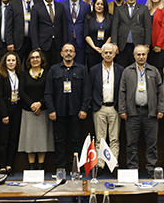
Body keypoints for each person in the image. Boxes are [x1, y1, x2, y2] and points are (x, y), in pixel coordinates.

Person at [118, 44, 164, 178]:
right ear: (134, 56)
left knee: (152, 144)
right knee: (131, 144)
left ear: (147, 55)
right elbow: (122, 92)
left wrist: (161, 109)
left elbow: (161, 92)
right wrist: (122, 109)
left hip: (151, 113)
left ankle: (151, 170)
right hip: (132, 113)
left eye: (143, 54)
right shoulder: (127, 71)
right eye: (138, 54)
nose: (141, 57)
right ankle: (133, 171)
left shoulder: (154, 71)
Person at [44, 43, 91, 171]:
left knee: (76, 141)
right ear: (61, 53)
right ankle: (60, 168)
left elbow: (87, 91)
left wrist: (84, 108)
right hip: (58, 112)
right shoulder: (54, 69)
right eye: (66, 51)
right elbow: (48, 92)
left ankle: (75, 168)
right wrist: (51, 109)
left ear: (75, 54)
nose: (68, 53)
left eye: (71, 51)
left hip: (76, 112)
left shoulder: (82, 69)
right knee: (59, 141)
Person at [89, 43, 123, 174]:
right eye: (106, 53)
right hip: (99, 107)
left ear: (114, 54)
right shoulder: (94, 70)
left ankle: (113, 165)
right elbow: (90, 89)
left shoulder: (120, 69)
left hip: (114, 107)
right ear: (102, 54)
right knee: (100, 139)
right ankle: (100, 165)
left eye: (110, 53)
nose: (108, 55)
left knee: (114, 139)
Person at [18, 49, 54, 170]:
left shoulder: (47, 73)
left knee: (42, 138)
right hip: (28, 111)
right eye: (32, 57)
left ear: (41, 59)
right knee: (30, 139)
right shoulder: (24, 74)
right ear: (29, 60)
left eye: (37, 57)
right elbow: (21, 92)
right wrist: (32, 105)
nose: (35, 60)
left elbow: (49, 91)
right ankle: (32, 166)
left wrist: (39, 103)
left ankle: (41, 165)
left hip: (43, 111)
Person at [0, 51, 22, 175]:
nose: (11, 63)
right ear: (4, 62)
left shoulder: (20, 75)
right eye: (8, 60)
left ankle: (9, 165)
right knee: (3, 140)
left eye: (13, 60)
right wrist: (4, 114)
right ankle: (2, 166)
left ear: (17, 62)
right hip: (4, 110)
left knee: (13, 139)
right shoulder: (1, 76)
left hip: (16, 109)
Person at [112, 0, 151, 68]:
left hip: (138, 44)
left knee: (137, 68)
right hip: (122, 45)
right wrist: (114, 43)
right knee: (121, 68)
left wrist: (147, 44)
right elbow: (115, 27)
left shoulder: (143, 9)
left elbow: (148, 28)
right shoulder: (119, 9)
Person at [33, 0, 68, 67]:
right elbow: (33, 28)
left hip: (57, 44)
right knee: (44, 67)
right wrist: (36, 46)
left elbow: (64, 27)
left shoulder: (60, 6)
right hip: (43, 45)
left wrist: (64, 45)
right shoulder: (36, 7)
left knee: (57, 68)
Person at [6, 0, 40, 65]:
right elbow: (9, 25)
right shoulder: (13, 4)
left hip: (34, 42)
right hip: (18, 42)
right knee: (18, 66)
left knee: (33, 65)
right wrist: (10, 42)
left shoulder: (39, 3)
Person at [63, 0, 91, 66]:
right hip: (67, 40)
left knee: (80, 65)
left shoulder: (86, 6)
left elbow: (87, 24)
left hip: (81, 41)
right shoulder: (62, 5)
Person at [84, 0, 113, 70]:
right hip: (91, 50)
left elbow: (112, 34)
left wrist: (104, 47)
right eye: (97, 4)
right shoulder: (88, 17)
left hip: (107, 50)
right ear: (94, 5)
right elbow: (86, 34)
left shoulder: (111, 17)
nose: (99, 6)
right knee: (92, 71)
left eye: (102, 4)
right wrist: (94, 47)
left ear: (105, 6)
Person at [146, 0, 164, 71]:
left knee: (159, 69)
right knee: (149, 69)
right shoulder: (147, 9)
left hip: (160, 46)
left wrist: (158, 44)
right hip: (149, 45)